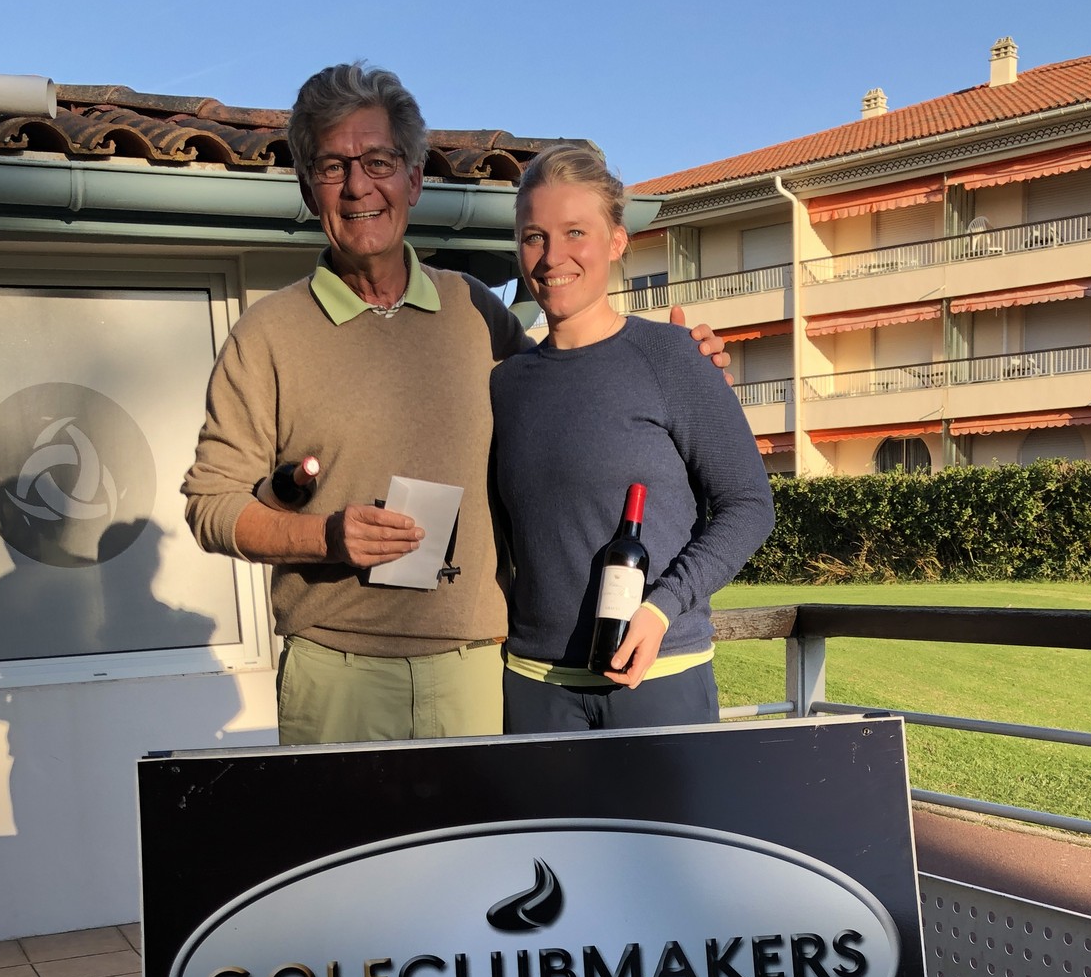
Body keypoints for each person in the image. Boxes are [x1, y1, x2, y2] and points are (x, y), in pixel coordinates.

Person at [182, 63, 728, 747]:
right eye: (332, 166)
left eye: (379, 161)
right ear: (306, 186)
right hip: (335, 675)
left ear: (413, 179)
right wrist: (326, 538)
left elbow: (568, 387)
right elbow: (210, 505)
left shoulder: (474, 309)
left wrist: (680, 363)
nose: (357, 186)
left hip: (478, 673)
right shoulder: (266, 334)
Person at [491, 144, 774, 733]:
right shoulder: (506, 384)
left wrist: (662, 609)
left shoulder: (673, 358)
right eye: (535, 236)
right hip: (537, 688)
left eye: (576, 232)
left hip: (658, 679)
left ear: (617, 241)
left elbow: (750, 506)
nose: (552, 256)